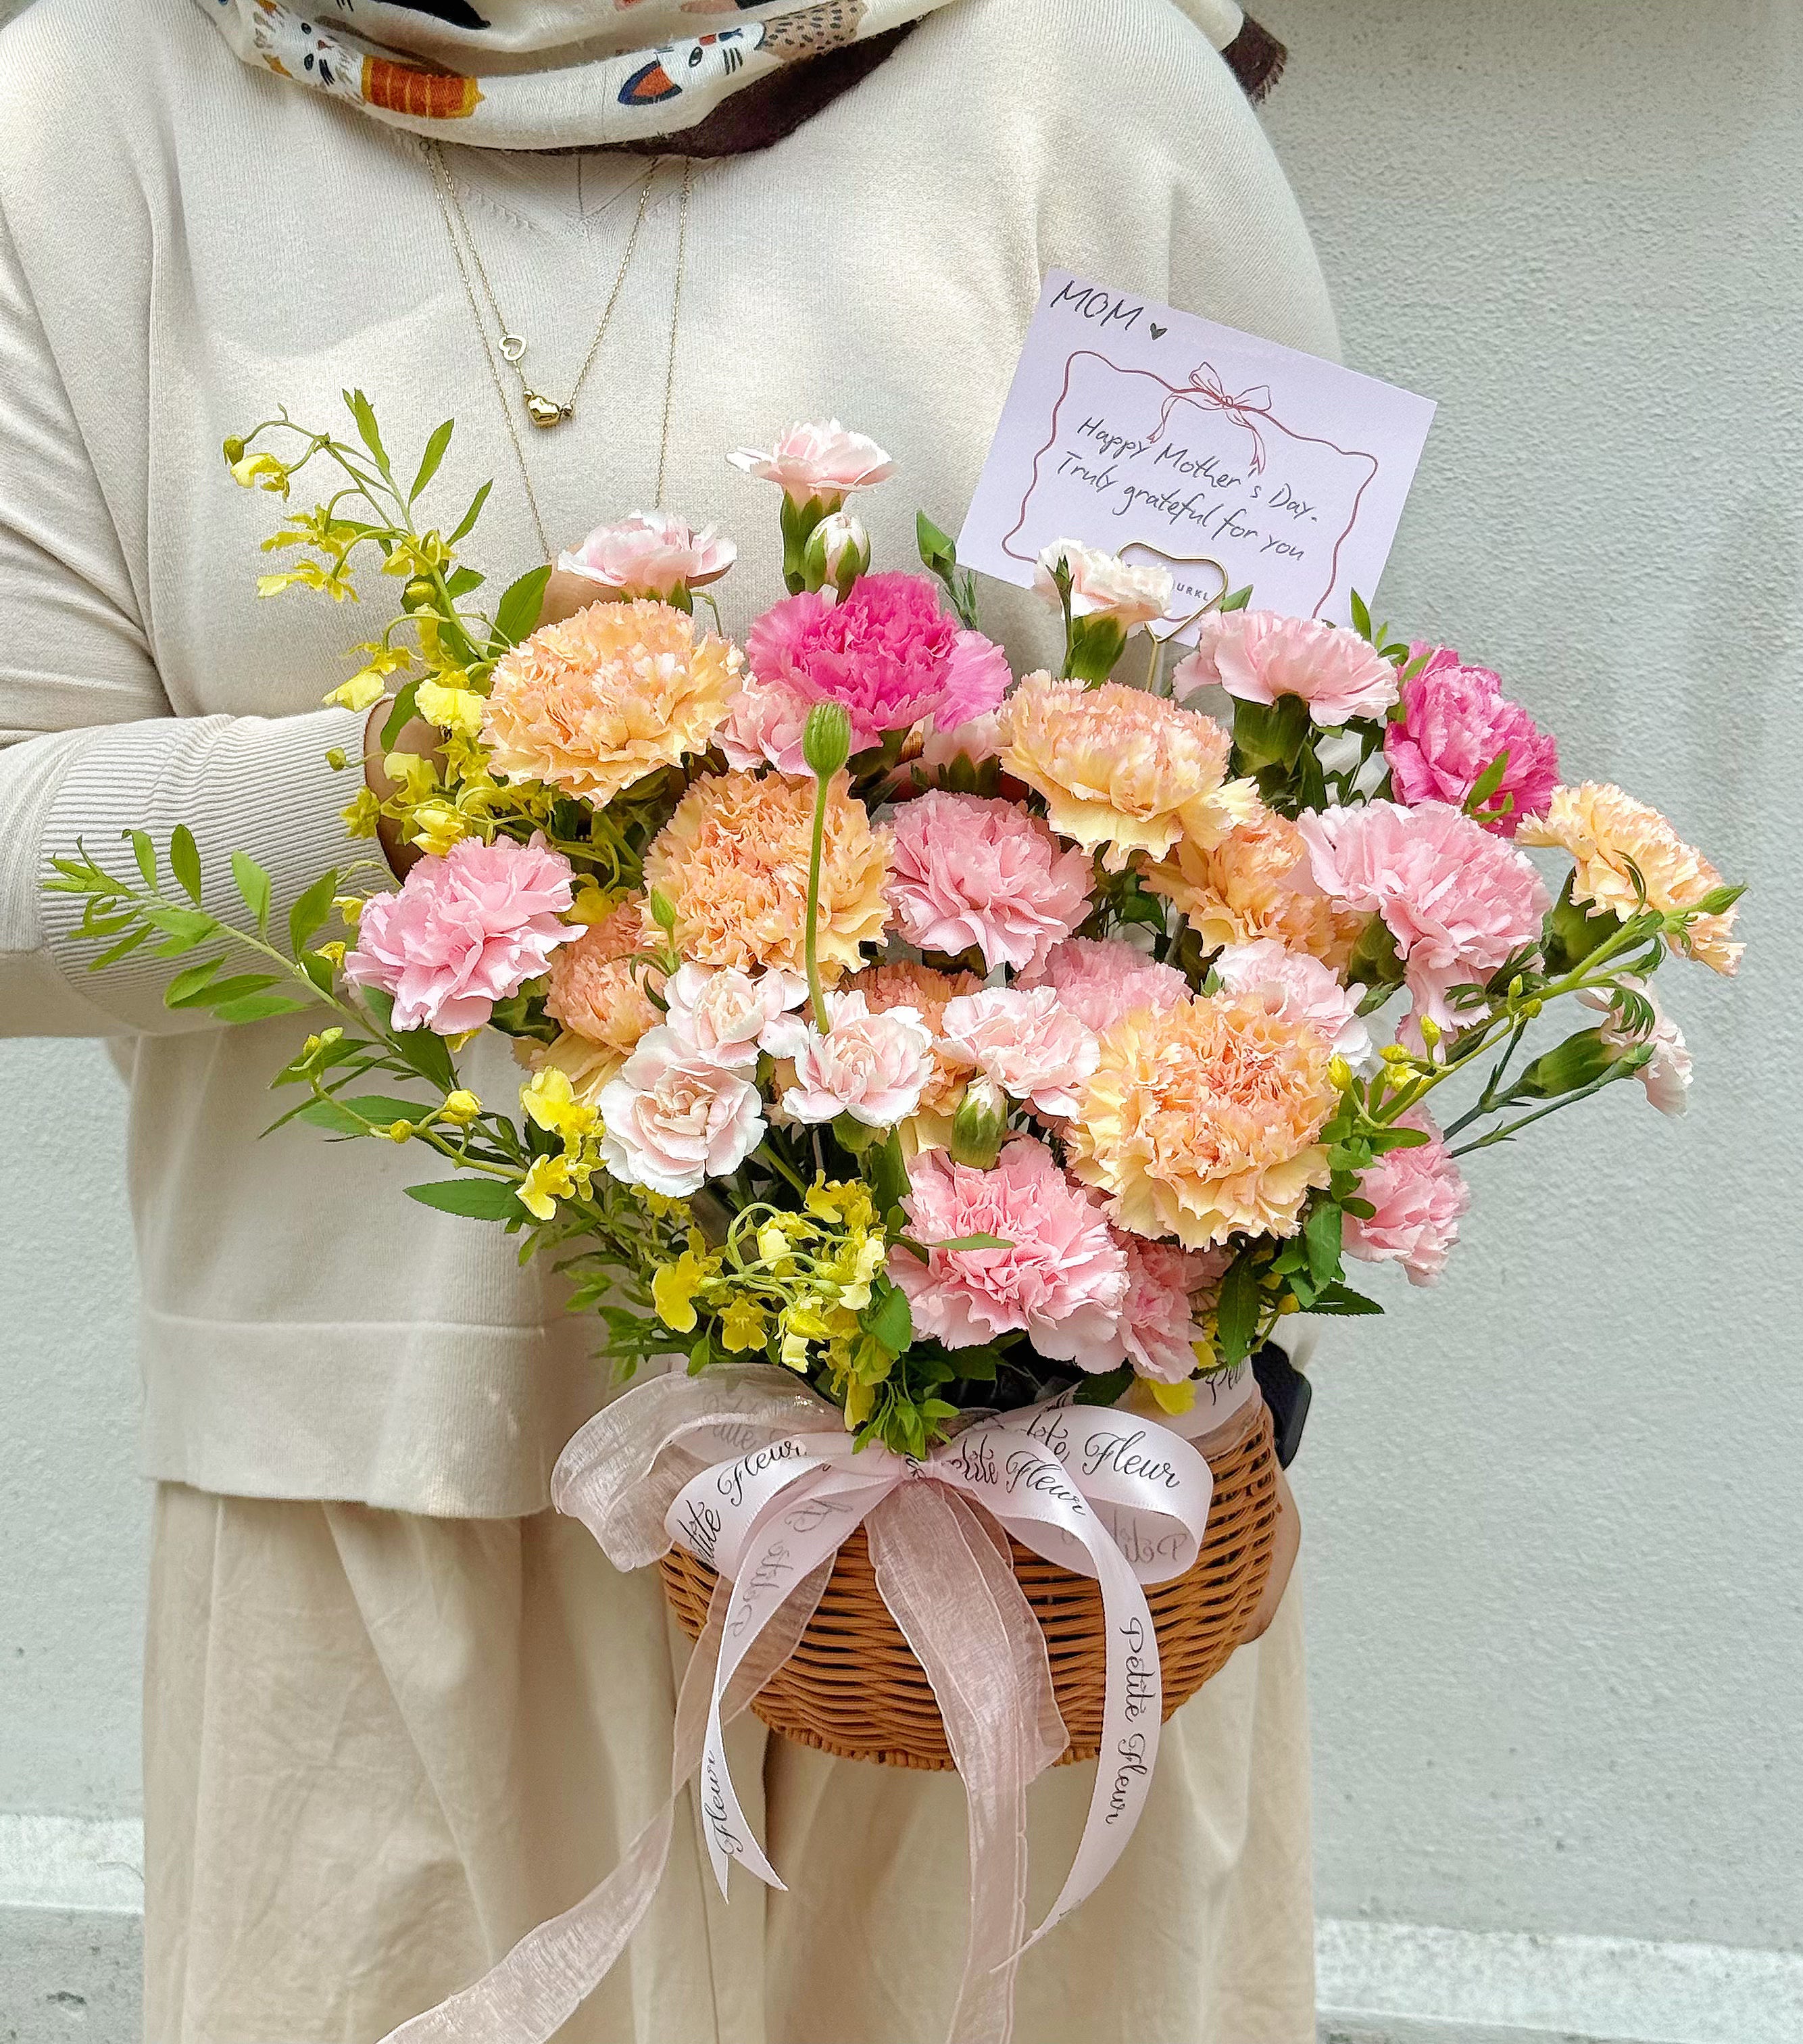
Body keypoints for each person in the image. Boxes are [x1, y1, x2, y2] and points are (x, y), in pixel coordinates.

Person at [0, 1, 1334, 2037]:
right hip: (378, 1521)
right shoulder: (102, 99)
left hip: (1010, 1520)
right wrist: (437, 779)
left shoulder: (1082, 73)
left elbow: (1301, 805)